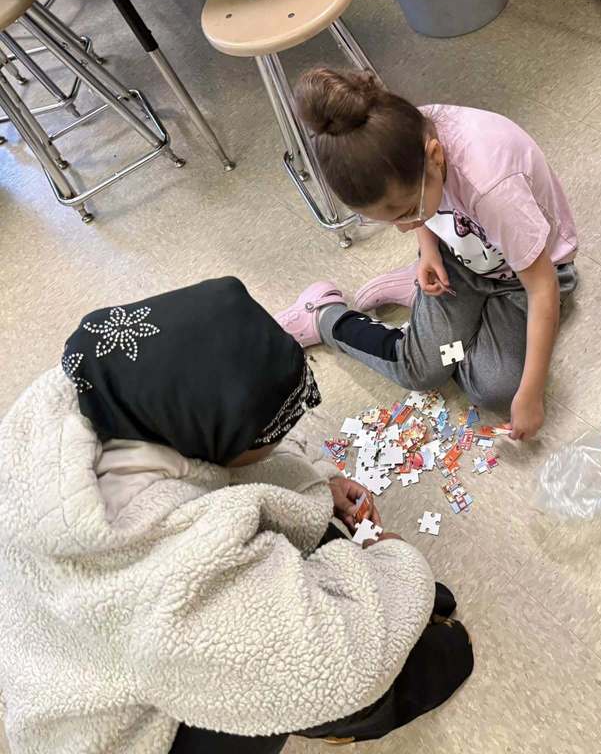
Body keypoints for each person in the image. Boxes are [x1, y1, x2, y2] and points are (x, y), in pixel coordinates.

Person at [0, 278, 472, 754]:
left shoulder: (99, 381)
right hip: (117, 733)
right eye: (273, 429)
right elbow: (334, 663)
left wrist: (318, 481)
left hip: (66, 636)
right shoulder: (167, 575)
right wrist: (390, 555)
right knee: (414, 663)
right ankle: (346, 722)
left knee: (316, 529)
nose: (288, 432)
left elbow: (218, 461)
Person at [273, 68, 579, 441]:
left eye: (406, 213)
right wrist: (428, 246)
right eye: (390, 220)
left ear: (434, 155)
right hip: (459, 258)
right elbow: (420, 204)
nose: (403, 227)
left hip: (525, 277)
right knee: (420, 372)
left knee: (495, 390)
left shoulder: (491, 187)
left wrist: (531, 395)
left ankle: (429, 327)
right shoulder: (395, 141)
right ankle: (325, 317)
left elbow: (543, 287)